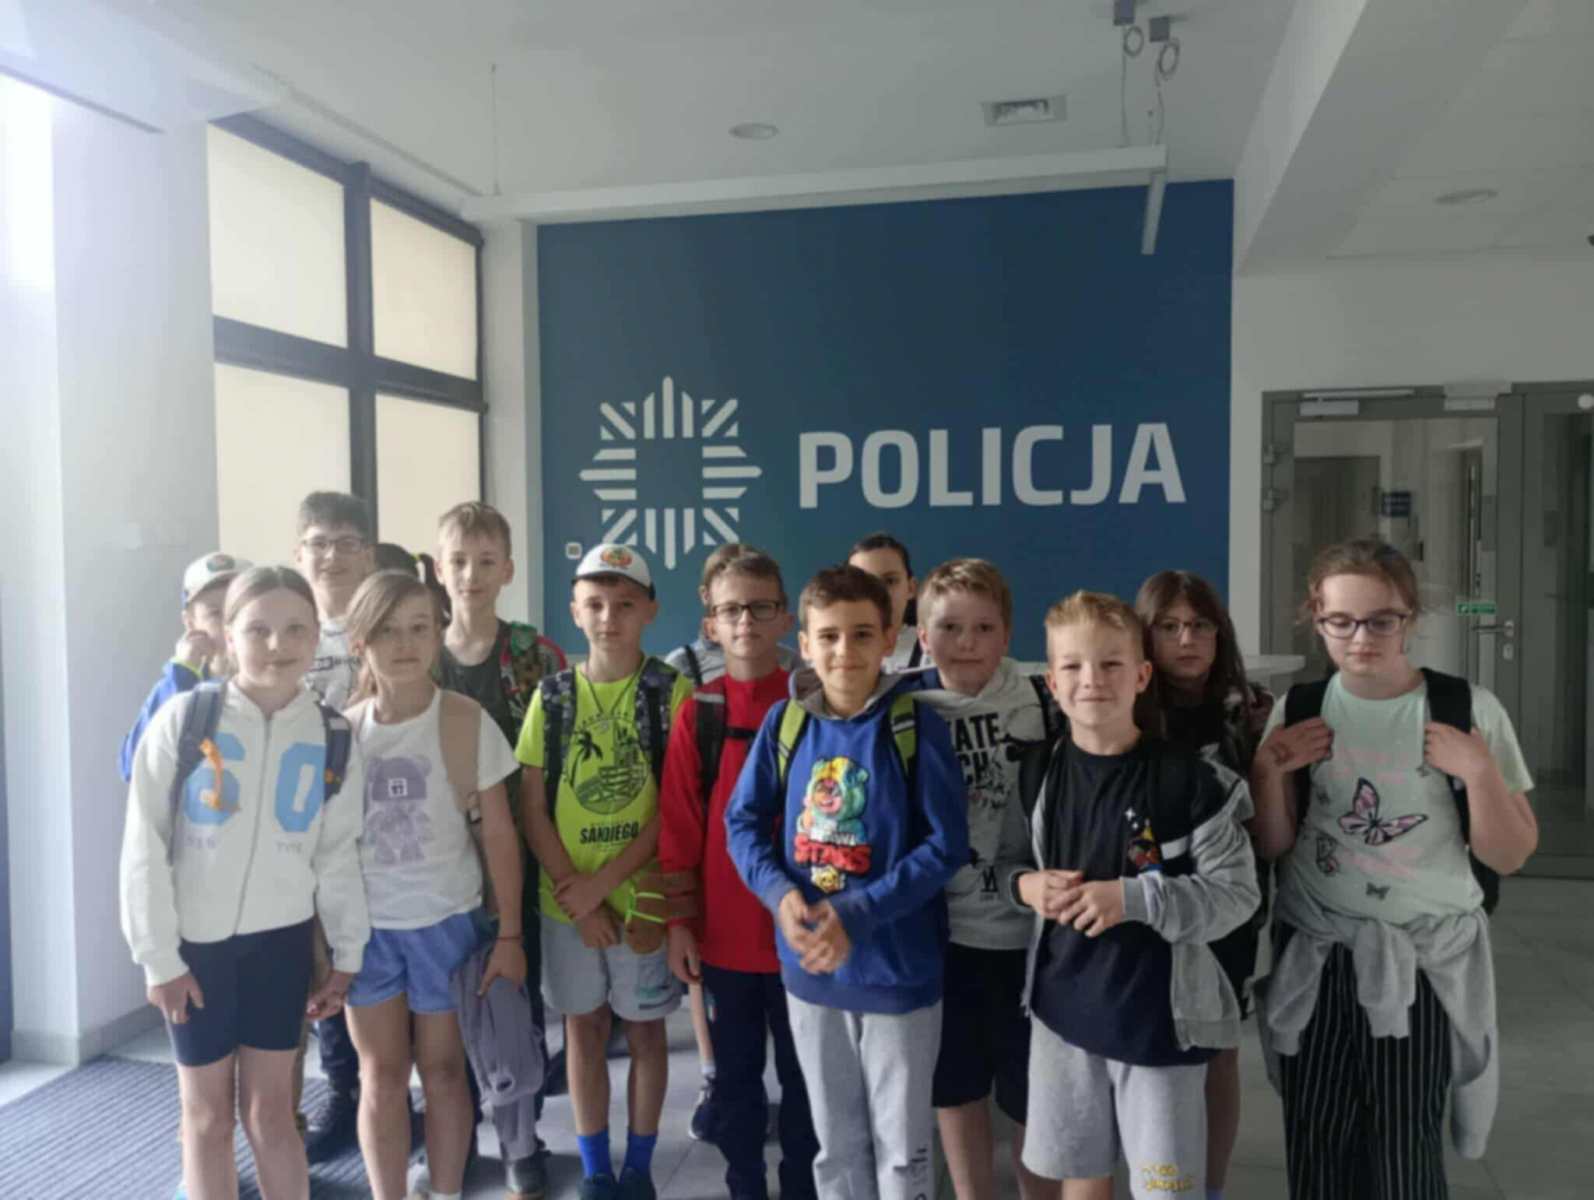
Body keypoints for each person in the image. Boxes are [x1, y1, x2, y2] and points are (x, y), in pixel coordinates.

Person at [1251, 540, 1538, 1199]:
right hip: (1317, 955)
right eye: (1341, 621)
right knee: (1318, 1143)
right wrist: (1267, 773)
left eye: (1382, 620)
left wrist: (1479, 772)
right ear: (1316, 618)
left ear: (1410, 618)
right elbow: (1274, 844)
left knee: (1406, 1150)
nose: (1361, 638)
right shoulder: (1299, 710)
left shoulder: (1466, 710)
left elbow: (1511, 854)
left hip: (1423, 961)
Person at [120, 565, 369, 1200]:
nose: (277, 645)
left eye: (295, 629)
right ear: (228, 635)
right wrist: (157, 957)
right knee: (206, 1119)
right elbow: (143, 844)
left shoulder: (333, 736)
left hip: (279, 948)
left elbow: (337, 856)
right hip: (195, 951)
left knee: (272, 1115)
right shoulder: (185, 720)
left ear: (317, 635)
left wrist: (347, 952)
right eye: (258, 630)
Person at [727, 564, 968, 1200]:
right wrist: (780, 897)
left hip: (898, 975)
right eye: (828, 636)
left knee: (902, 1153)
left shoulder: (914, 727)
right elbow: (741, 824)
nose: (844, 651)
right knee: (835, 1147)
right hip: (811, 975)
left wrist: (856, 914)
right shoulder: (785, 724)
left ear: (888, 638)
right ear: (804, 644)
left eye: (862, 634)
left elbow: (946, 846)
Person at [1007, 591, 1259, 1200]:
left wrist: (1133, 899)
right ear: (1051, 682)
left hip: (1159, 1029)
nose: (1091, 680)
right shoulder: (1038, 773)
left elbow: (1236, 895)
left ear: (1142, 676)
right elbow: (1007, 863)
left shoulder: (1192, 781)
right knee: (1080, 1177)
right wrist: (1026, 886)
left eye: (1111, 664)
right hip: (1063, 1018)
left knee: (1164, 1189)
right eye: (1073, 665)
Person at [341, 570, 528, 1200]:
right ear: (359, 642)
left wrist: (510, 934)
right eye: (387, 631)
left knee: (445, 1072)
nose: (404, 643)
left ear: (439, 633)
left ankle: (445, 1192)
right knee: (380, 1075)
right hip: (367, 933)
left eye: (419, 628)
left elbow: (500, 834)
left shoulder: (466, 721)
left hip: (447, 925)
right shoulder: (343, 734)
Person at [517, 544, 691, 1200]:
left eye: (624, 605)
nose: (609, 618)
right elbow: (533, 809)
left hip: (642, 900)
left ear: (650, 610)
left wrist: (606, 885)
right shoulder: (553, 697)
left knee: (645, 1029)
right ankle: (595, 1169)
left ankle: (639, 1168)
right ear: (574, 611)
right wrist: (584, 899)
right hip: (567, 905)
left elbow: (675, 808)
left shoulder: (671, 692)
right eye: (594, 605)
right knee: (583, 1028)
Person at [658, 547, 819, 1200]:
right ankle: (744, 1185)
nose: (745, 622)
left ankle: (802, 1187)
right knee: (736, 1081)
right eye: (731, 610)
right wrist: (680, 923)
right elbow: (678, 828)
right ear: (711, 625)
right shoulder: (701, 712)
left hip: (804, 934)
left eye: (760, 607)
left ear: (786, 619)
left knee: (806, 1080)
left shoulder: (815, 706)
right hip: (725, 939)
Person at [434, 500, 566, 1199]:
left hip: (519, 854)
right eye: (458, 561)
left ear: (508, 570)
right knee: (443, 1006)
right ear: (439, 568)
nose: (471, 575)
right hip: (435, 861)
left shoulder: (535, 656)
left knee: (515, 995)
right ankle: (454, 1133)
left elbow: (561, 758)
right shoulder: (419, 651)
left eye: (486, 562)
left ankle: (522, 1137)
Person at [911, 559, 1052, 1200]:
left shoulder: (1043, 702)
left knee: (1030, 1094)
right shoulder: (904, 706)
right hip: (942, 938)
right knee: (956, 1085)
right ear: (922, 635)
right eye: (949, 627)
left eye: (984, 627)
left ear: (1008, 634)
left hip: (1028, 938)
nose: (966, 642)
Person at [1135, 569, 1270, 1200]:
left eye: (1200, 625)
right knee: (1149, 1049)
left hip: (1229, 909)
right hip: (1145, 903)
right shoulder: (1127, 705)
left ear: (1220, 634)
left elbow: (1271, 821)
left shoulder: (1250, 711)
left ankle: (1211, 1186)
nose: (1186, 639)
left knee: (1219, 1050)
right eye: (1169, 626)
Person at [292, 490, 377, 1159]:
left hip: (389, 821)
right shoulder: (289, 631)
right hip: (310, 827)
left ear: (367, 553)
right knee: (325, 963)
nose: (331, 557)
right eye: (318, 544)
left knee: (389, 965)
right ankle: (345, 1095)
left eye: (346, 543)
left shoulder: (388, 624)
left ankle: (399, 1095)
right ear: (299, 554)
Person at [120, 551, 251, 782]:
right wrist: (182, 674)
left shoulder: (279, 680)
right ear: (191, 623)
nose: (229, 623)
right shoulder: (181, 685)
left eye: (238, 610)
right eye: (215, 613)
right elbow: (133, 766)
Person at [848, 532, 927, 673]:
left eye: (890, 581)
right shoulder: (826, 655)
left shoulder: (937, 653)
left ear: (911, 588)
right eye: (863, 582)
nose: (878, 592)